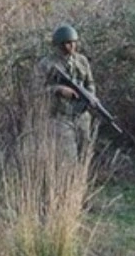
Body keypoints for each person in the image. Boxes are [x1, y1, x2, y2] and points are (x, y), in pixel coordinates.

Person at [33, 24, 95, 160]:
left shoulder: (82, 61)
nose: (71, 46)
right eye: (67, 43)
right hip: (60, 117)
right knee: (68, 158)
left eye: (73, 42)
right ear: (59, 45)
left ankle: (80, 181)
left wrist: (90, 97)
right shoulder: (47, 64)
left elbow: (90, 83)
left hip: (81, 116)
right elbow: (36, 91)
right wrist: (58, 89)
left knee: (85, 155)